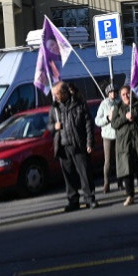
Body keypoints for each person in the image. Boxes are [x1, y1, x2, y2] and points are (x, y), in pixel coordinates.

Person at [50, 81, 97, 211]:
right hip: (63, 147)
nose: (55, 97)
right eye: (54, 94)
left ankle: (89, 199)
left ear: (64, 93)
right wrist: (54, 126)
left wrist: (89, 142)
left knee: (85, 174)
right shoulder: (55, 109)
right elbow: (49, 126)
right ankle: (73, 201)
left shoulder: (79, 104)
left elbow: (88, 124)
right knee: (69, 176)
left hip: (78, 144)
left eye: (57, 94)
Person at [112, 85, 138, 204]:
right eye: (123, 94)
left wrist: (135, 117)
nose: (126, 96)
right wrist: (125, 118)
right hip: (125, 144)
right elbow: (114, 124)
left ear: (132, 94)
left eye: (128, 93)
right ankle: (130, 195)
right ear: (120, 96)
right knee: (127, 170)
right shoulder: (118, 107)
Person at [93, 84, 119, 195]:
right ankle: (106, 183)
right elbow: (97, 121)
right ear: (107, 93)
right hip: (107, 136)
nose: (113, 94)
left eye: (114, 92)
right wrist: (107, 118)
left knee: (119, 159)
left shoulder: (118, 103)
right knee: (108, 161)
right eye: (111, 92)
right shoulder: (104, 104)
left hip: (118, 135)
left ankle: (121, 181)